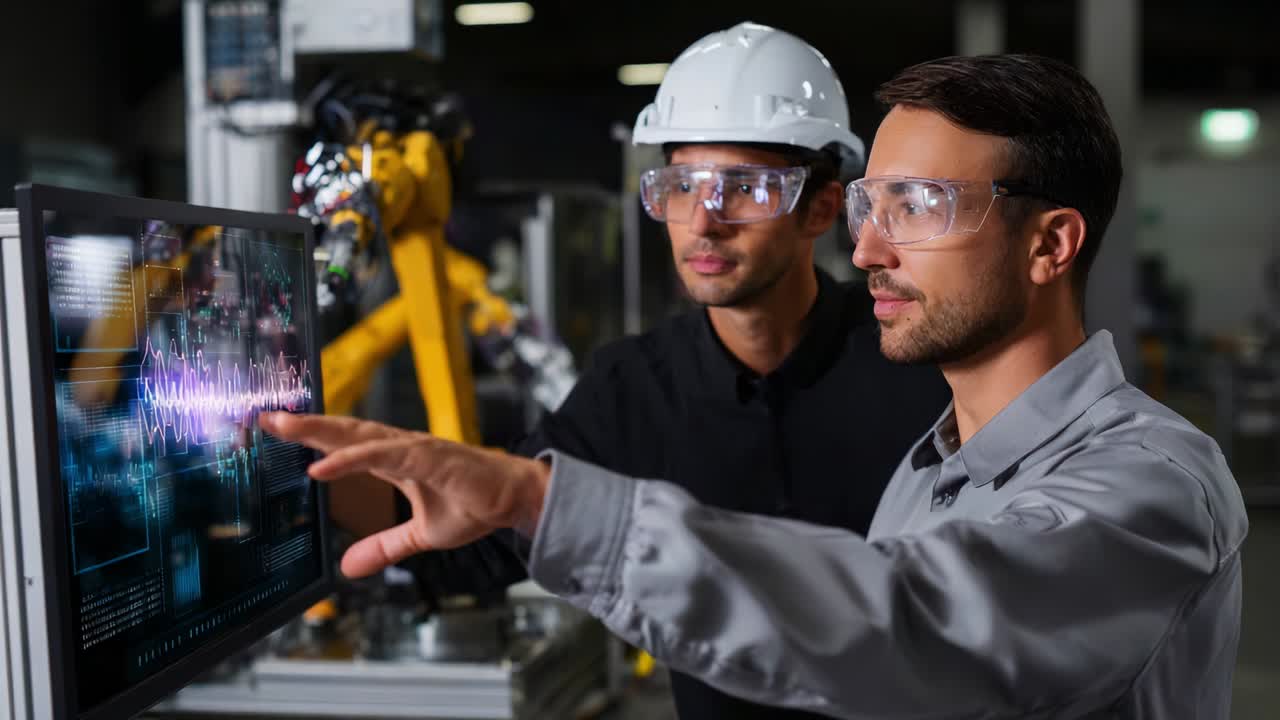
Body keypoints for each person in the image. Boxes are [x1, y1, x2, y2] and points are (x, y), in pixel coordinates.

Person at [264, 53, 1249, 719]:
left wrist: (537, 498)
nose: (866, 249)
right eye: (872, 208)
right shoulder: (931, 465)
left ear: (1049, 242)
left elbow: (914, 621)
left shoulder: (1150, 481)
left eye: (916, 206)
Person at [398, 21, 947, 719]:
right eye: (683, 186)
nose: (704, 223)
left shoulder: (917, 365)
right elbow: (477, 541)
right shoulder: (632, 390)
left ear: (821, 209)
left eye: (744, 188)